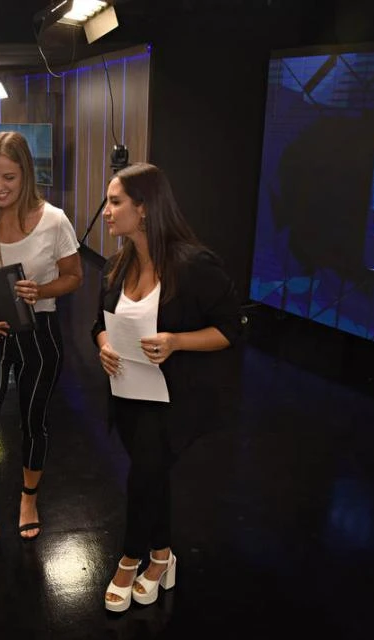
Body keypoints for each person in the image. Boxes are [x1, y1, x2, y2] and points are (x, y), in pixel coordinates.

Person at [91, 162, 246, 612]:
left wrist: (176, 341)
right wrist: (104, 346)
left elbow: (232, 328)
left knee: (143, 474)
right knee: (151, 474)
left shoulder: (193, 265)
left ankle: (130, 559)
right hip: (126, 396)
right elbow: (97, 325)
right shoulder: (116, 267)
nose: (106, 211)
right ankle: (162, 556)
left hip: (174, 401)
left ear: (144, 208)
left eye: (115, 202)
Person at [0, 131, 83, 574]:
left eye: (8, 177)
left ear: (26, 174)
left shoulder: (54, 221)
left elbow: (75, 277)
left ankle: (28, 497)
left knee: (33, 421)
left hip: (38, 332)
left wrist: (39, 291)